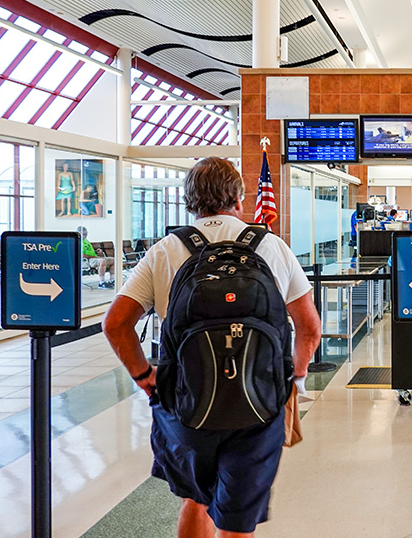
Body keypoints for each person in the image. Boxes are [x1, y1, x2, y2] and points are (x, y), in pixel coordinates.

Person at [102, 157, 321, 538]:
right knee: (237, 520)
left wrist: (144, 376)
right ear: (239, 197)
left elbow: (116, 323)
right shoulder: (271, 246)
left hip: (185, 403)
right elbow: (309, 327)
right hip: (258, 405)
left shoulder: (165, 250)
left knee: (194, 500)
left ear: (190, 200)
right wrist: (294, 377)